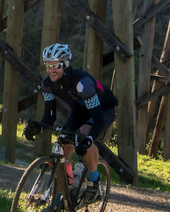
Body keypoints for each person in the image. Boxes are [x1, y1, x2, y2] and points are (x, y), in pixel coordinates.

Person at [23, 42, 127, 198]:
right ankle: (58, 201)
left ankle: (94, 180)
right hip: (79, 110)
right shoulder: (46, 84)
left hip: (102, 110)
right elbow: (50, 115)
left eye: (56, 66)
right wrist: (39, 127)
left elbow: (97, 119)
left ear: (65, 65)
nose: (52, 70)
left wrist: (89, 139)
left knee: (83, 134)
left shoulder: (82, 84)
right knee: (64, 146)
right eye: (48, 65)